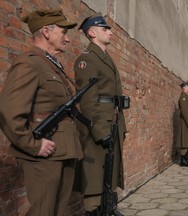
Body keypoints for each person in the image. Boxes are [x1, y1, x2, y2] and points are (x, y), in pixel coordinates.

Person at [0, 8, 81, 216]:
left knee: (59, 211)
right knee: (43, 211)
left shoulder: (51, 65)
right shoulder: (29, 63)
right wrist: (33, 145)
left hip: (62, 150)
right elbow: (9, 112)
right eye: (63, 33)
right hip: (45, 154)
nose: (67, 39)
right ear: (46, 32)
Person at [74, 13, 127, 214]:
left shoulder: (105, 58)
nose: (111, 32)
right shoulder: (87, 60)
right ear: (92, 32)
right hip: (99, 124)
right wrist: (100, 130)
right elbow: (87, 100)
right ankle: (94, 210)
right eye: (105, 29)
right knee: (96, 172)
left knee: (110, 169)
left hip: (112, 120)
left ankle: (109, 207)